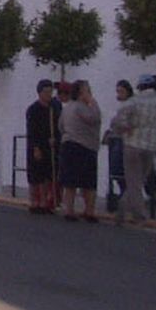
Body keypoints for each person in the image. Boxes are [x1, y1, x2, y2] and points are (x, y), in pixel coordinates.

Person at [106, 58, 156, 226]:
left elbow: (117, 122)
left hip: (132, 145)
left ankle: (138, 215)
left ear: (140, 87)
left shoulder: (132, 102)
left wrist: (125, 129)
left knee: (133, 182)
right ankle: (122, 210)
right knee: (140, 179)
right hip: (151, 145)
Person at [57, 79, 102, 222]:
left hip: (68, 144)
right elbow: (94, 118)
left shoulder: (67, 107)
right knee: (88, 181)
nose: (89, 92)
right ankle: (89, 210)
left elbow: (61, 126)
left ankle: (69, 209)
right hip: (84, 146)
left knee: (70, 180)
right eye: (87, 90)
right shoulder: (82, 107)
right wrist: (93, 102)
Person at [24, 78, 61, 214]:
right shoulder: (33, 110)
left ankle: (45, 202)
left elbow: (58, 127)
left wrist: (55, 139)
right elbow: (32, 130)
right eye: (46, 92)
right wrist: (36, 148)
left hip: (49, 146)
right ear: (39, 93)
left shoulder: (54, 109)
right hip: (37, 145)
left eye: (50, 92)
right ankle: (34, 202)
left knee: (47, 175)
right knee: (35, 175)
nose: (48, 95)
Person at [105, 79, 133, 212]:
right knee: (116, 170)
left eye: (121, 91)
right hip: (117, 140)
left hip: (125, 141)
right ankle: (124, 194)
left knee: (120, 169)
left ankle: (126, 196)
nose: (118, 94)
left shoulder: (130, 106)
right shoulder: (123, 106)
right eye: (117, 91)